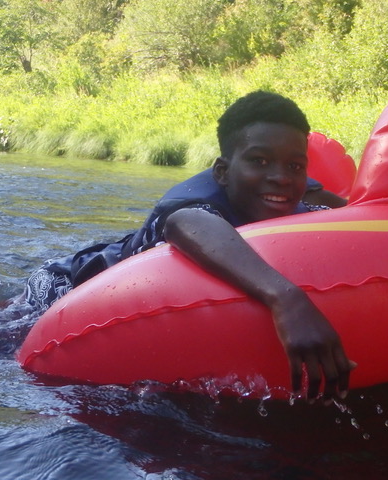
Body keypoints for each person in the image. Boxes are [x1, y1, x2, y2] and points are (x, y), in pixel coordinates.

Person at [24, 91, 353, 403]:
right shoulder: (192, 209)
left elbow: (343, 207)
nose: (281, 178)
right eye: (260, 160)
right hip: (69, 280)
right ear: (222, 172)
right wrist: (287, 299)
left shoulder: (298, 198)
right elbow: (184, 223)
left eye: (294, 166)